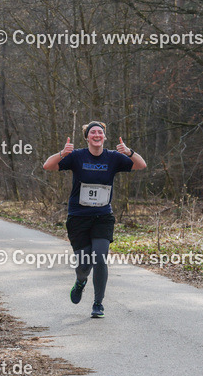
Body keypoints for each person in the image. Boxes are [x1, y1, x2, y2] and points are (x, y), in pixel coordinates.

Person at [42, 121, 146, 317]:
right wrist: (62, 153)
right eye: (93, 132)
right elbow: (48, 165)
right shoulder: (76, 156)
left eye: (100, 132)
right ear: (87, 137)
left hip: (102, 216)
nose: (97, 135)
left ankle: (98, 304)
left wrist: (129, 152)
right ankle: (81, 281)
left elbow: (141, 165)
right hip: (78, 217)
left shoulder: (114, 157)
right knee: (84, 264)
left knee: (99, 257)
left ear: (104, 137)